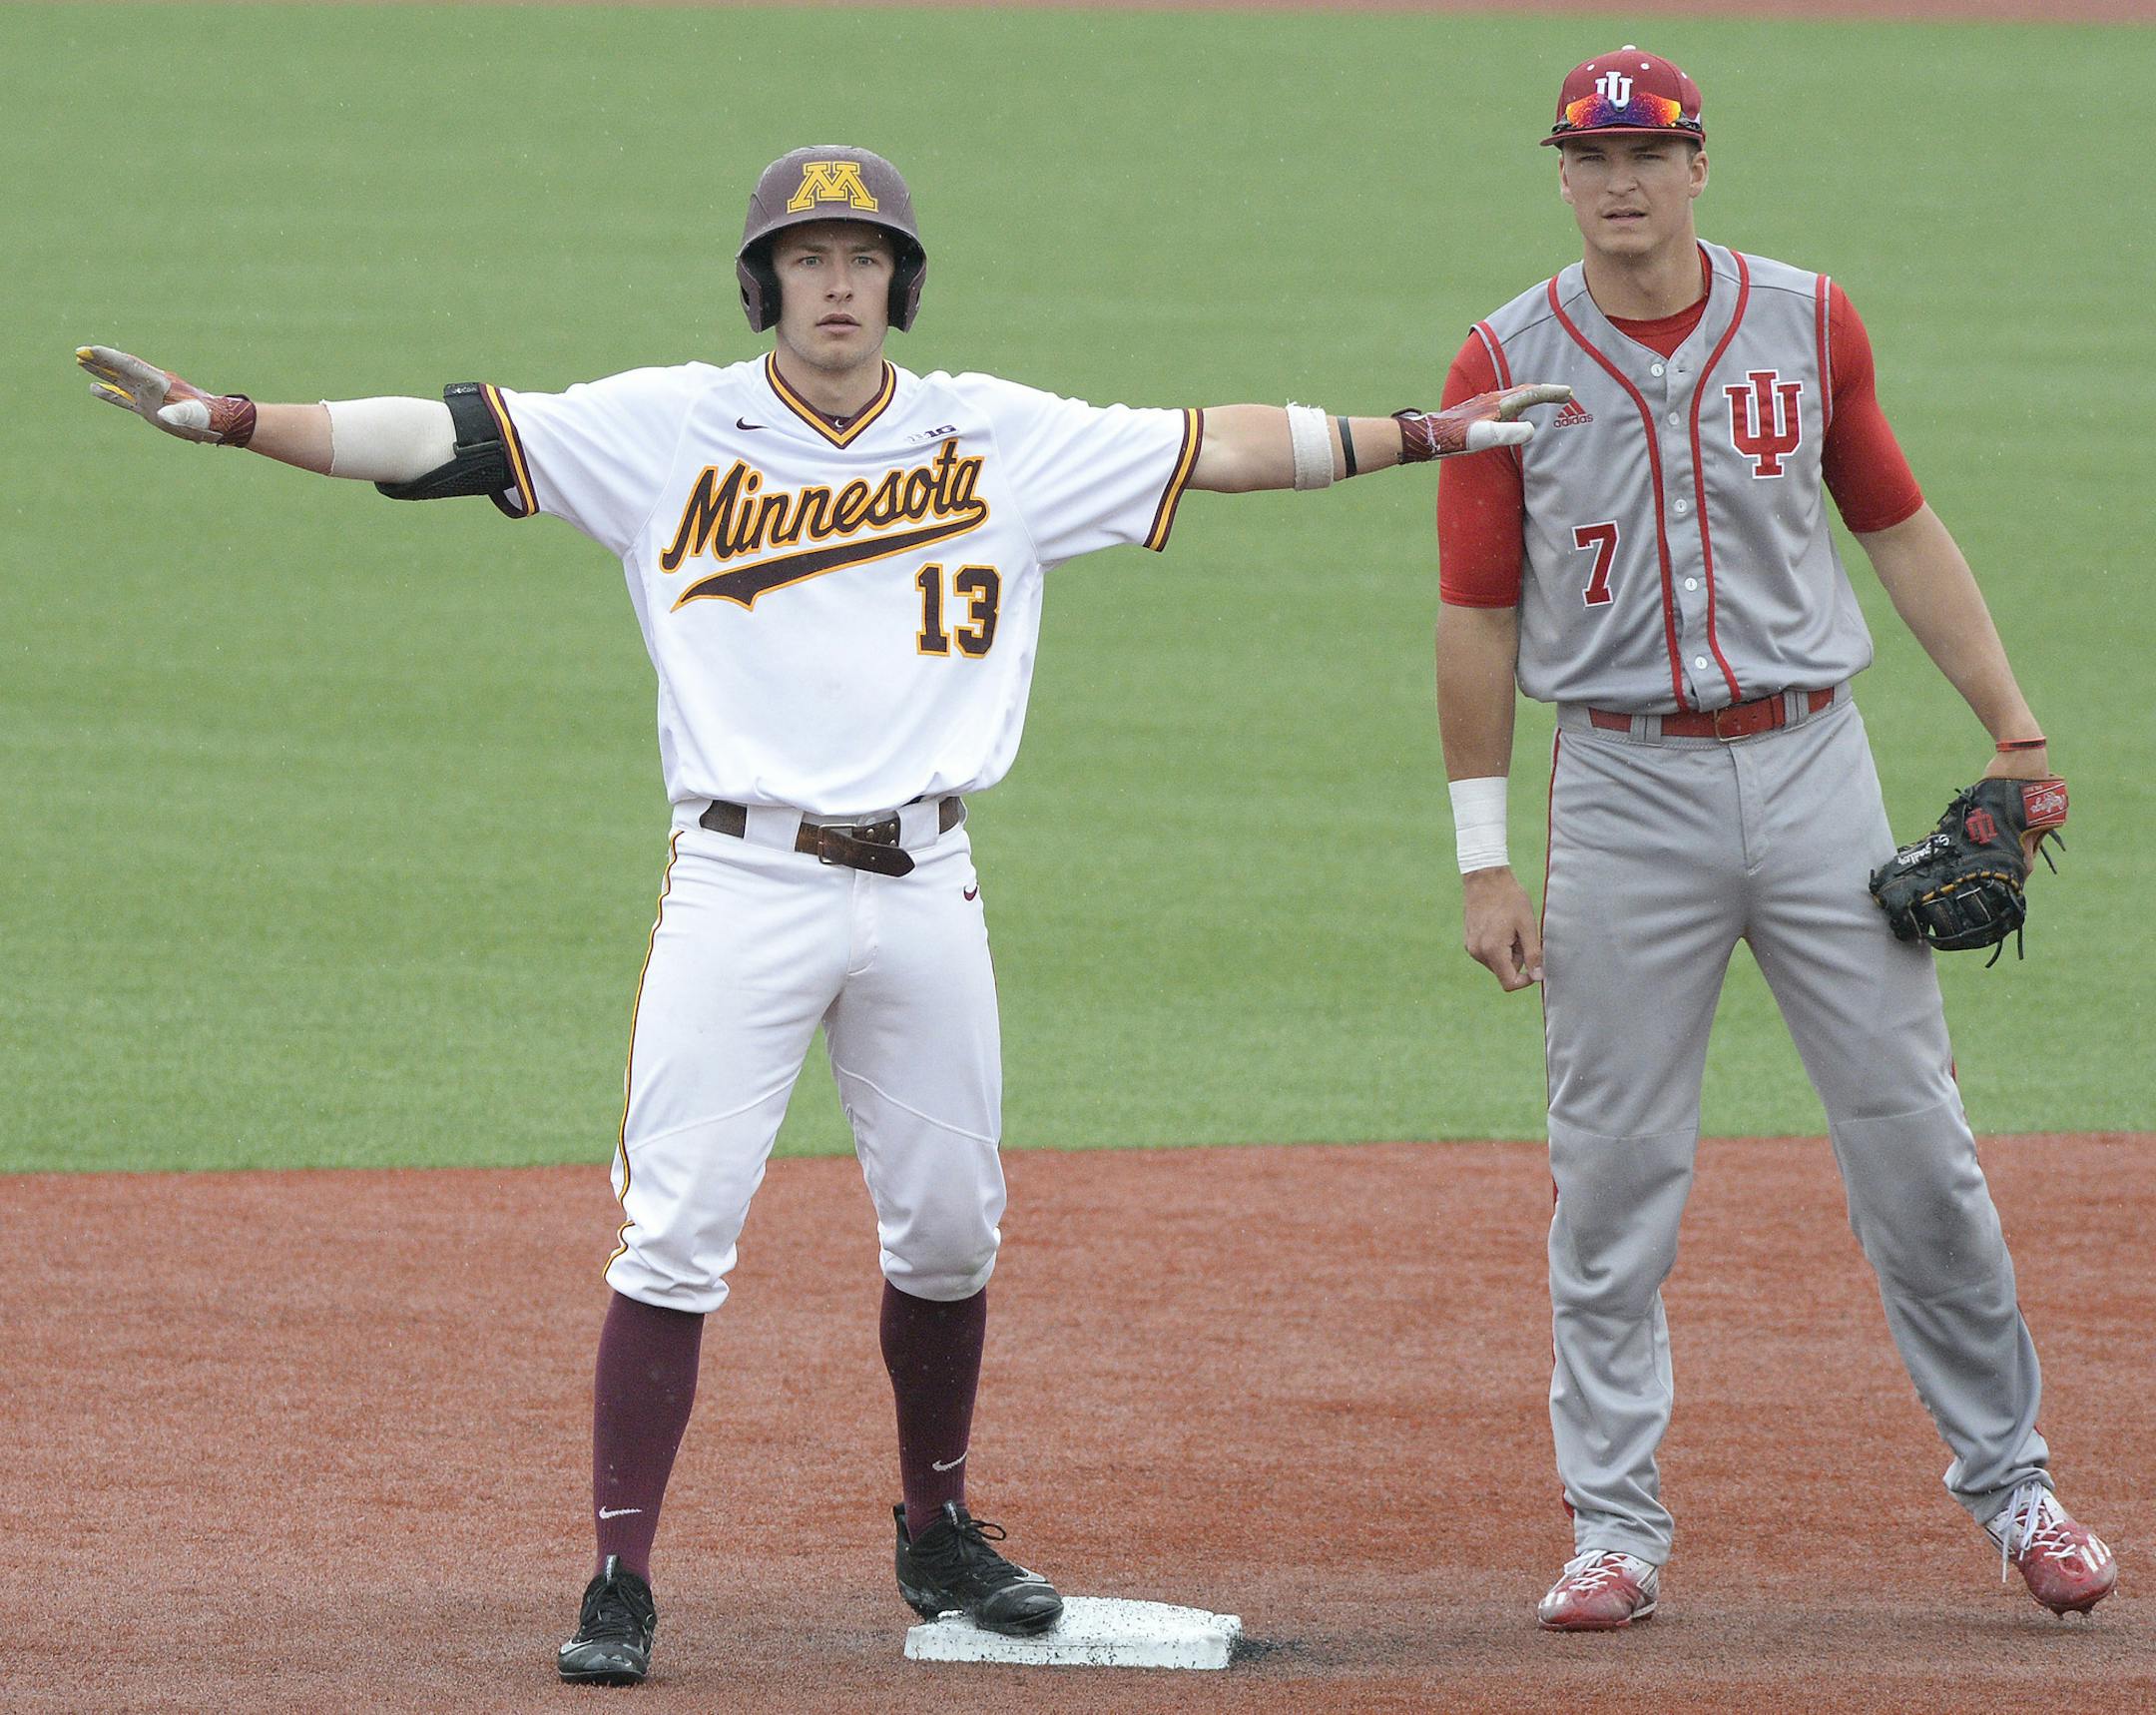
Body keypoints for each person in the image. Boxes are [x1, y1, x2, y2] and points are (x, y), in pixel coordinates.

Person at [80, 145, 1564, 1685]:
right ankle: (619, 1573)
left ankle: (938, 1530)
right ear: (765, 283)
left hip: (927, 883)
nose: (838, 284)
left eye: (862, 259)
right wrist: (239, 420)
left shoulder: (998, 434)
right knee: (676, 1231)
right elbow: (445, 438)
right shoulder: (666, 427)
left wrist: (1427, 431)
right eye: (808, 260)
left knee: (949, 1224)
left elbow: (1225, 447)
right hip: (741, 879)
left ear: (900, 283)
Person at [1432, 51, 2117, 1631]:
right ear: (1560, 176)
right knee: (1612, 1178)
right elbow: (1474, 622)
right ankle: (1614, 1527)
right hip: (1622, 790)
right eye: (1589, 156)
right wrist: (1484, 854)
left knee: (1918, 1155)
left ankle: (2018, 1486)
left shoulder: (1808, 321)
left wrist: (2010, 722)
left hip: (1816, 767)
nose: (1620, 182)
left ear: (1697, 164)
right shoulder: (1504, 360)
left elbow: (1897, 526)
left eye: (1648, 153)